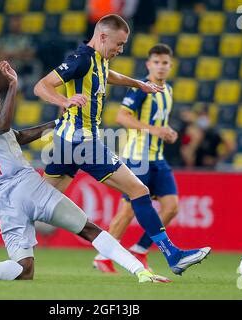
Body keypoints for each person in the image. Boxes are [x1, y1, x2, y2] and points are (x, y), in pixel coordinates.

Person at [0, 15, 210, 277]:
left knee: (36, 199)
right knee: (138, 190)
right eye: (118, 44)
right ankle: (173, 255)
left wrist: (138, 83)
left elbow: (107, 75)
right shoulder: (81, 58)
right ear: (102, 37)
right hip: (81, 141)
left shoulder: (98, 61)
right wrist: (63, 102)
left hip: (67, 144)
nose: (120, 50)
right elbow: (43, 87)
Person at [0, 62, 171, 283]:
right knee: (88, 229)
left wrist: (58, 123)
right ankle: (140, 271)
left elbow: (15, 137)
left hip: (2, 203)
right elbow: (2, 125)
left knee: (24, 270)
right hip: (27, 188)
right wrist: (13, 86)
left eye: (0, 93)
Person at [93, 44, 180, 273]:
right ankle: (103, 256)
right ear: (148, 65)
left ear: (170, 66)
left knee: (171, 207)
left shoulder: (168, 91)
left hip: (158, 159)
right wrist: (153, 129)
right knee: (128, 211)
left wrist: (167, 131)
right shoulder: (142, 89)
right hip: (137, 158)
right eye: (156, 62)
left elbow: (159, 124)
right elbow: (122, 117)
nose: (161, 67)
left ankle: (140, 250)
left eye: (165, 63)